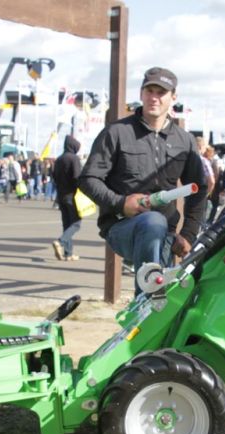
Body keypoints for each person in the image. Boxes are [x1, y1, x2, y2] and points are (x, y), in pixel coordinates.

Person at [79, 66, 206, 294]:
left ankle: (149, 310)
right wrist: (120, 203)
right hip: (121, 227)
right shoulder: (117, 133)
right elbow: (89, 179)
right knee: (152, 223)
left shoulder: (184, 141)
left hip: (166, 235)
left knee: (171, 299)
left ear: (173, 97)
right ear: (141, 94)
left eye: (161, 92)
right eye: (149, 91)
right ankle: (145, 301)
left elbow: (198, 190)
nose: (154, 98)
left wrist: (188, 234)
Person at [52, 135, 83, 261]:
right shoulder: (74, 159)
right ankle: (61, 241)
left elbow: (54, 177)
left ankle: (68, 253)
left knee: (66, 224)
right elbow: (77, 177)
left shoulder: (59, 159)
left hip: (61, 195)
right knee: (76, 223)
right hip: (72, 195)